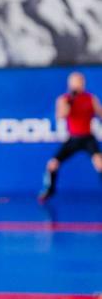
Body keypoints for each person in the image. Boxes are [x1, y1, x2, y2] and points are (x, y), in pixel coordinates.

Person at [38, 72, 102, 202]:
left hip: (88, 137)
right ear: (70, 84)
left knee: (99, 163)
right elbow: (61, 116)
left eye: (80, 81)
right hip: (73, 138)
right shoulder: (63, 99)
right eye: (75, 81)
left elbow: (100, 113)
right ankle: (49, 190)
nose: (78, 84)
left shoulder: (91, 98)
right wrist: (70, 101)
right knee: (52, 164)